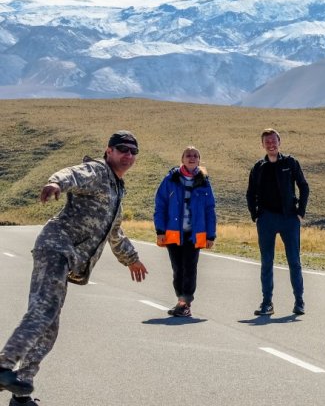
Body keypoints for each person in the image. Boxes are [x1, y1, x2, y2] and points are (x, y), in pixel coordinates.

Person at [0, 132, 149, 404]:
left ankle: (21, 391)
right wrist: (55, 182)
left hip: (67, 256)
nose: (128, 155)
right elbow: (73, 173)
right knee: (43, 311)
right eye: (122, 149)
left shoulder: (117, 189)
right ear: (109, 151)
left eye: (132, 151)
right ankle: (3, 365)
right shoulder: (98, 171)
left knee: (50, 327)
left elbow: (114, 232)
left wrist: (132, 259)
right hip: (56, 246)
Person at [245, 128, 309, 316]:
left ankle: (299, 301)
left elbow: (304, 186)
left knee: (294, 261)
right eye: (267, 142)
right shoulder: (258, 167)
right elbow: (250, 193)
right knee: (266, 262)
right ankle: (267, 303)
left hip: (289, 218)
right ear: (263, 145)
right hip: (266, 220)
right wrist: (255, 215)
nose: (271, 144)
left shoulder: (290, 163)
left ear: (279, 142)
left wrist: (300, 212)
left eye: (274, 141)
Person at [153, 146, 217, 318]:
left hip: (194, 233)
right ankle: (181, 301)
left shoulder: (204, 181)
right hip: (173, 232)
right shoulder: (170, 179)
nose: (192, 158)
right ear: (182, 159)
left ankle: (185, 303)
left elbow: (210, 209)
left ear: (199, 160)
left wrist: (211, 234)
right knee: (177, 269)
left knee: (190, 268)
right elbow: (160, 205)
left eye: (195, 156)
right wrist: (160, 230)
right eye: (188, 155)